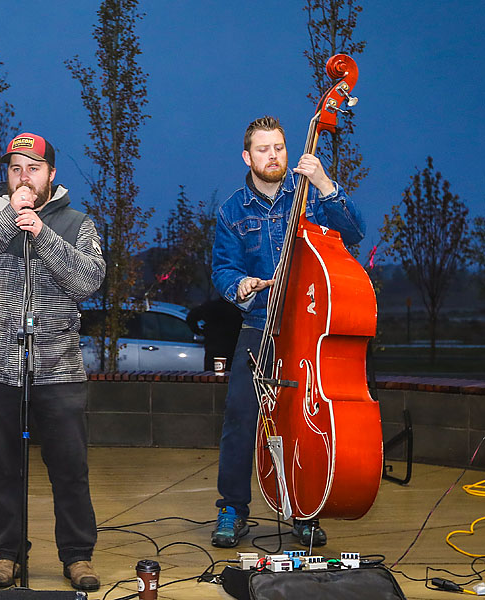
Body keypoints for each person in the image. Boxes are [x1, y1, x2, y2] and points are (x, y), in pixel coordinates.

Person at [0, 132, 106, 591]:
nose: (23, 176)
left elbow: (88, 280)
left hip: (57, 366)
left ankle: (77, 556)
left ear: (51, 174)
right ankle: (7, 555)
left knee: (69, 468)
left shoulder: (77, 222)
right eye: (15, 168)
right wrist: (6, 220)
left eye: (33, 168)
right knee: (2, 469)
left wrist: (45, 235)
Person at [209, 116, 365, 548]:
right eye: (263, 149)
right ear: (248, 156)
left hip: (311, 329)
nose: (273, 155)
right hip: (259, 325)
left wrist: (326, 182)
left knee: (305, 421)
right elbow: (223, 268)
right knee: (241, 418)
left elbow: (354, 231)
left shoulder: (310, 198)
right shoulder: (232, 210)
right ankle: (232, 510)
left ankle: (305, 508)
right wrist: (238, 285)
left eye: (278, 147)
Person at [185, 296, 243, 372]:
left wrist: (199, 331)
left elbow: (191, 317)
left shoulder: (210, 306)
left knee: (213, 374)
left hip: (214, 347)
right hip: (232, 347)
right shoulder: (237, 309)